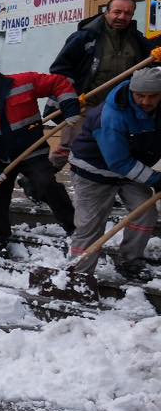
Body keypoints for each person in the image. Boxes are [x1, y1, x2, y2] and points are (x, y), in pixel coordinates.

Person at [0, 56, 80, 257]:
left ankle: (74, 229)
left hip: (31, 151)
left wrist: (70, 107)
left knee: (48, 185)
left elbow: (60, 82)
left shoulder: (23, 83)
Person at [65, 65, 161, 280]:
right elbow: (118, 161)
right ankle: (78, 275)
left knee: (145, 213)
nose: (146, 102)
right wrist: (156, 179)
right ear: (131, 92)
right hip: (93, 170)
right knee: (90, 225)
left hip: (131, 169)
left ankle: (130, 260)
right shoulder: (111, 114)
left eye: (153, 96)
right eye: (140, 96)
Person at [50, 0, 156, 96]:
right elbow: (60, 69)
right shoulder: (85, 37)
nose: (122, 17)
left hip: (122, 107)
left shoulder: (138, 41)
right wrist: (72, 98)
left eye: (128, 13)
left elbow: (153, 66)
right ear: (107, 13)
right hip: (87, 107)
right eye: (117, 12)